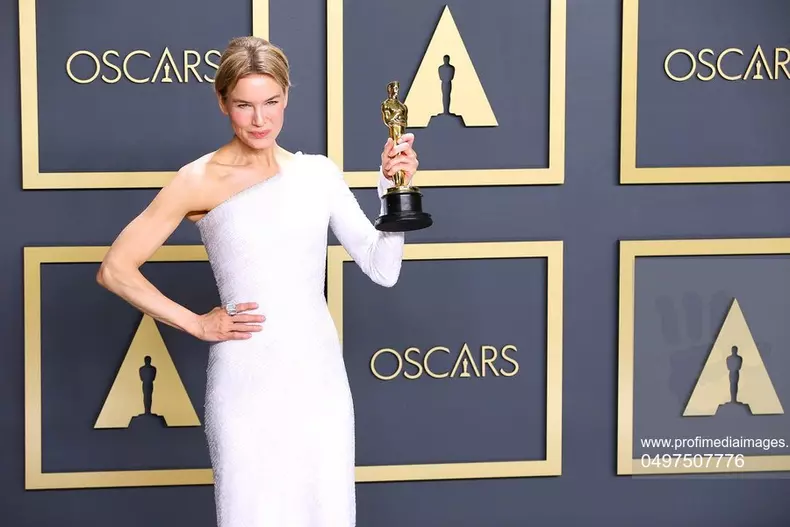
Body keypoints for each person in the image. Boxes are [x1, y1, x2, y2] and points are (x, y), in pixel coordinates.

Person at [96, 36, 420, 527]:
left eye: (270, 103)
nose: (259, 119)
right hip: (244, 380)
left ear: (286, 96)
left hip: (319, 379)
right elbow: (115, 269)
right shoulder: (198, 179)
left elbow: (383, 268)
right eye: (244, 105)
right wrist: (196, 324)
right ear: (222, 102)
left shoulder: (317, 174)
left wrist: (391, 188)